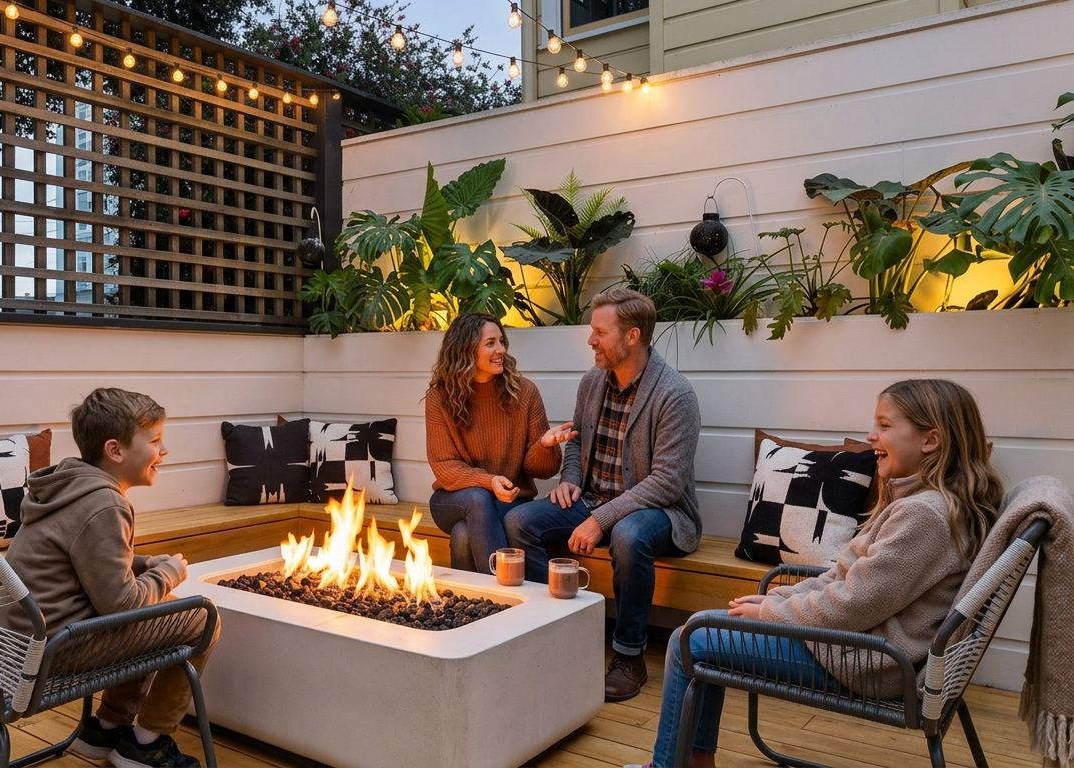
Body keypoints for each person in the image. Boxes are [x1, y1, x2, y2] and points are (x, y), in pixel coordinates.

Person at [639, 379, 1003, 768]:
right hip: (861, 645)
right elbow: (843, 579)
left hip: (869, 662)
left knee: (688, 641)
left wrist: (772, 614)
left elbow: (852, 604)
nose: (870, 435)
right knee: (705, 627)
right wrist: (777, 600)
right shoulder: (921, 501)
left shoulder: (922, 516)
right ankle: (694, 760)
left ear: (931, 440)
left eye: (884, 425)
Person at [0, 388, 218, 768]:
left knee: (158, 611)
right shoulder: (105, 503)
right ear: (115, 451)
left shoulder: (69, 486)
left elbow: (81, 561)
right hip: (55, 649)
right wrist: (168, 573)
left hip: (28, 640)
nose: (164, 450)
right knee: (201, 618)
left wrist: (142, 563)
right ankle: (147, 745)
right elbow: (122, 604)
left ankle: (105, 729)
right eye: (154, 440)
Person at [504, 288, 702, 702]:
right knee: (519, 521)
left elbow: (667, 481)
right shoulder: (593, 382)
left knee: (629, 535)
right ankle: (557, 634)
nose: (590, 340)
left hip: (659, 512)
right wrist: (571, 478)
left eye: (599, 332)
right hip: (592, 499)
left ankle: (629, 656)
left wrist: (600, 519)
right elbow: (574, 442)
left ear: (632, 336)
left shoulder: (675, 395)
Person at [425, 312, 576, 574]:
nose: (501, 350)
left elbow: (542, 470)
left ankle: (474, 608)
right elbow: (444, 467)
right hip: (453, 499)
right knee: (477, 497)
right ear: (465, 349)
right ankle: (505, 595)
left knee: (463, 534)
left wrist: (545, 445)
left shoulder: (524, 392)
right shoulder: (440, 398)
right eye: (491, 343)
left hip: (511, 501)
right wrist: (489, 481)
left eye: (501, 341)